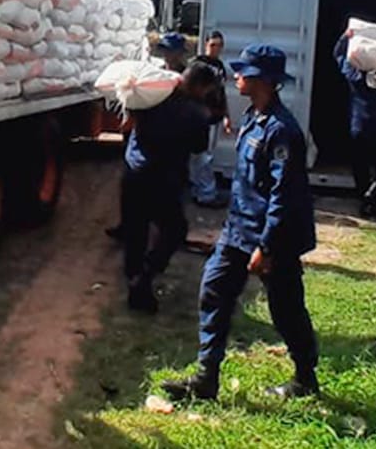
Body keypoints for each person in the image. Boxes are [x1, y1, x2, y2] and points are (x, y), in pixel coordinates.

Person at [162, 45, 319, 401]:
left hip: (272, 237)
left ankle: (305, 378)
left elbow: (283, 195)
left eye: (243, 71)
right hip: (238, 230)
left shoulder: (282, 130)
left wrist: (267, 247)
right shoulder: (253, 116)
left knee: (286, 309)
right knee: (213, 291)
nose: (236, 76)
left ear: (262, 80)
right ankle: (206, 379)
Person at [120, 63, 216, 313]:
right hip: (164, 179)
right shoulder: (196, 113)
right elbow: (198, 148)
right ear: (200, 86)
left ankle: (134, 282)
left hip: (134, 173)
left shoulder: (151, 96)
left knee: (135, 231)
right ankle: (146, 275)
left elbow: (131, 117)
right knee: (174, 229)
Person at [333, 24, 376, 217]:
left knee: (359, 164)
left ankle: (364, 198)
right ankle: (375, 193)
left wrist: (345, 37)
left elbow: (338, 55)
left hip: (360, 126)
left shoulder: (354, 76)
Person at [189, 31, 233, 207]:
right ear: (205, 44)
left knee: (205, 156)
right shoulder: (197, 65)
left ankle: (199, 190)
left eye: (219, 46)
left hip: (215, 116)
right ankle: (206, 193)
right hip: (200, 119)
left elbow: (222, 92)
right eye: (213, 45)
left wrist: (227, 116)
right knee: (201, 157)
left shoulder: (220, 66)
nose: (216, 49)